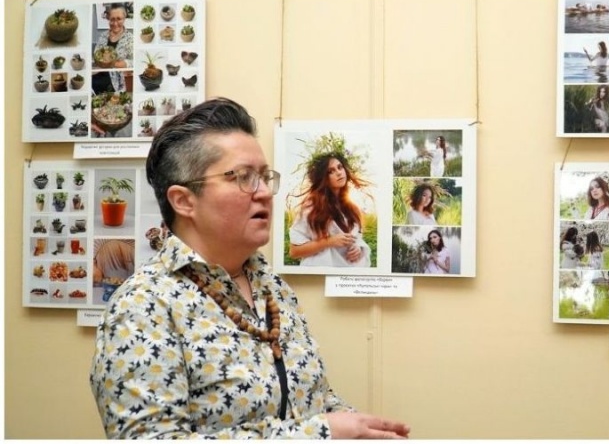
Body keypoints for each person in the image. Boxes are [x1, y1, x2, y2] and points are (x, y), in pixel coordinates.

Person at [89, 98, 410, 439]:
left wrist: (359, 428)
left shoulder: (271, 287)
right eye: (243, 177)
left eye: (265, 177)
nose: (265, 193)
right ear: (184, 201)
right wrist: (318, 434)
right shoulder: (143, 306)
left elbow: (309, 399)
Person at [288, 142, 372, 267]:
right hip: (321, 272)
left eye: (340, 167)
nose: (339, 173)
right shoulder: (311, 208)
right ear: (322, 178)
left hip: (347, 272)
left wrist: (358, 249)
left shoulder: (352, 208)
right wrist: (328, 242)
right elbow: (294, 251)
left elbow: (357, 239)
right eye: (330, 171)